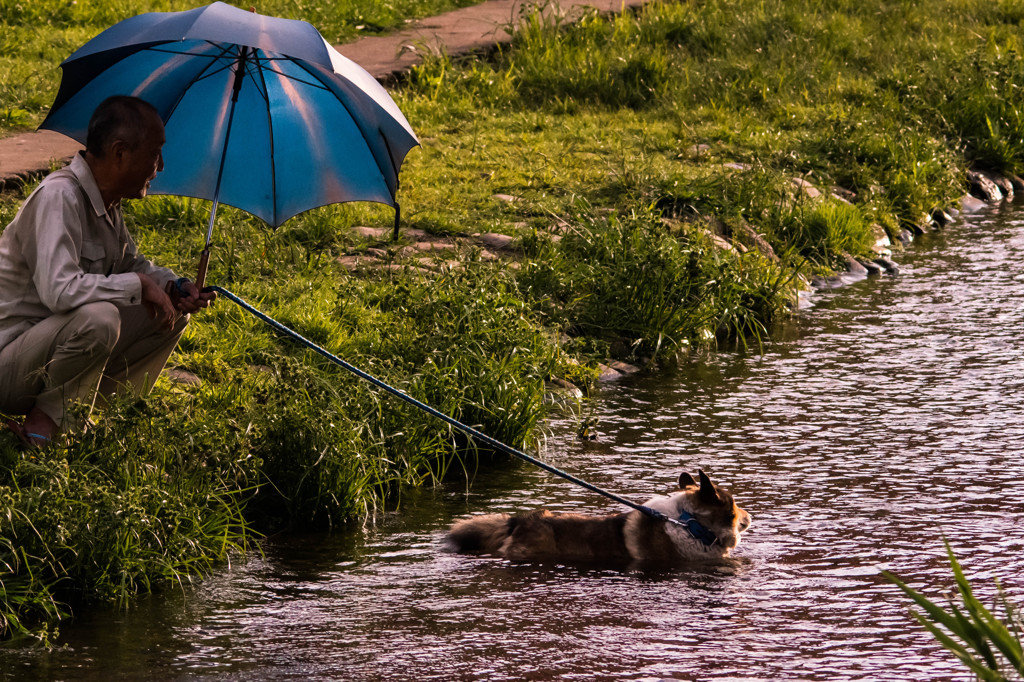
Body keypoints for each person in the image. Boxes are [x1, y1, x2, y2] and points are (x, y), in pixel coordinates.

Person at [0, 95, 215, 447]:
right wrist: (141, 285)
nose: (160, 166)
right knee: (100, 319)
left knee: (169, 313)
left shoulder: (106, 203)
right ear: (119, 153)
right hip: (9, 363)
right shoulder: (60, 196)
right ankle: (43, 428)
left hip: (47, 356)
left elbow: (131, 264)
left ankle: (78, 416)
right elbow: (60, 291)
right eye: (154, 153)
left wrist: (174, 286)